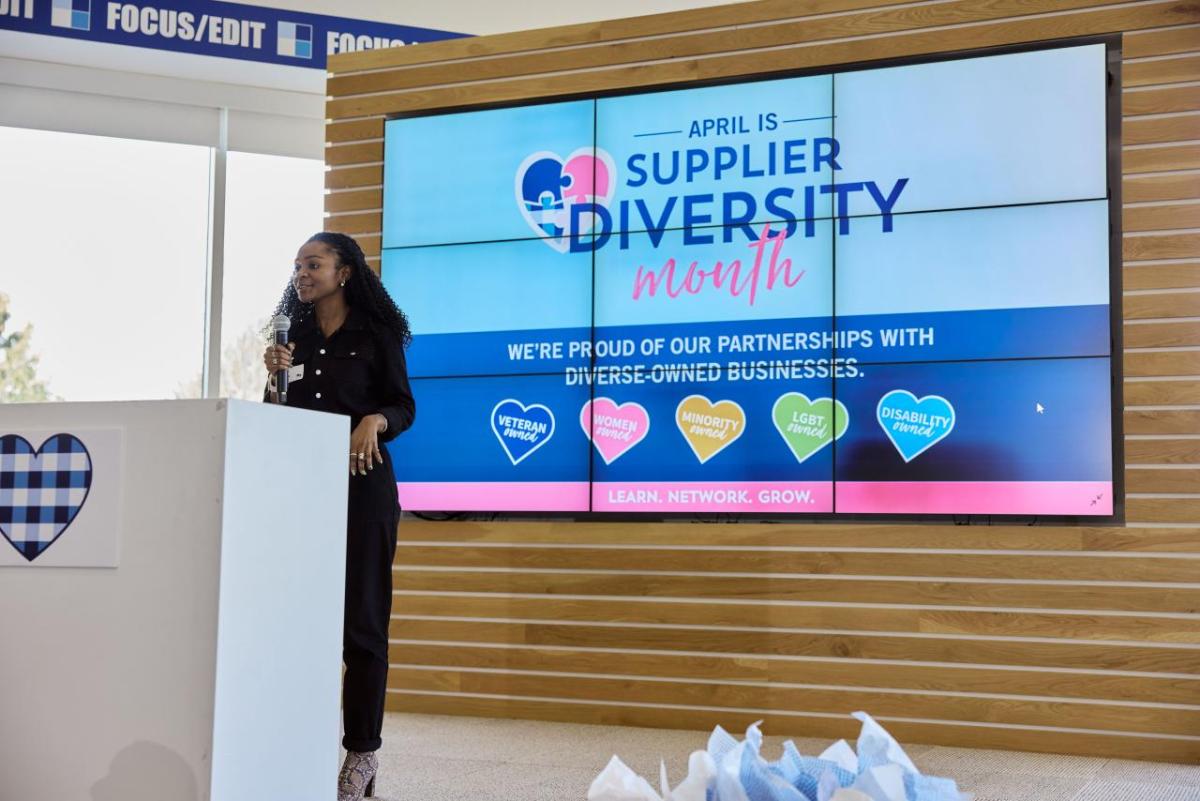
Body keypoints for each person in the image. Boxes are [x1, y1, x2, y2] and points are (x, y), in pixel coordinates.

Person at [262, 231, 415, 801]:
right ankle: (295, 744)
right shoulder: (291, 337)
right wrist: (273, 380)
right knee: (300, 623)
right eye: (297, 264)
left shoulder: (376, 333)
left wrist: (376, 420)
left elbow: (403, 404)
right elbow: (275, 417)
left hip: (363, 490)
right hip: (301, 494)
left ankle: (361, 755)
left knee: (363, 627)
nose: (301, 273)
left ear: (344, 271)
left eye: (313, 263)